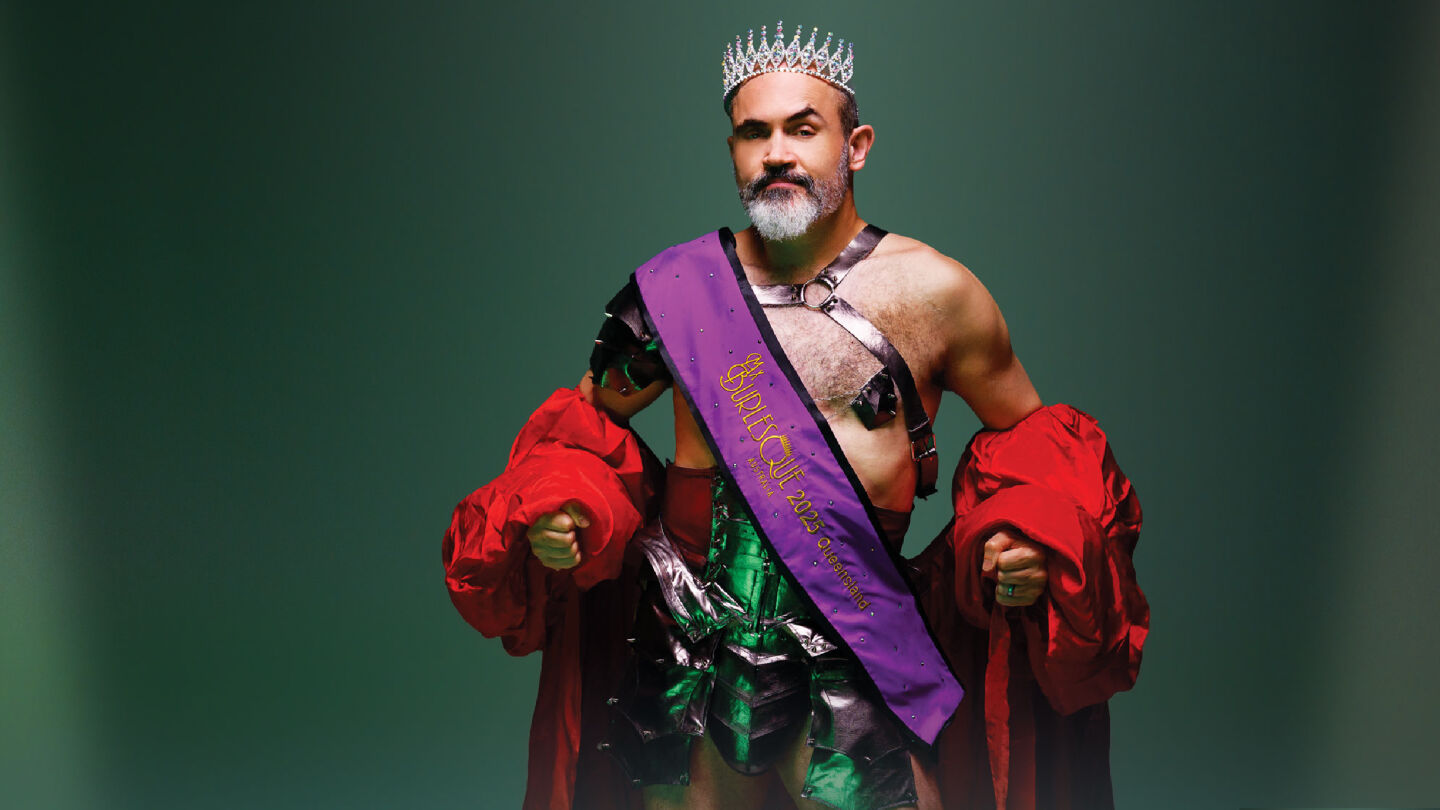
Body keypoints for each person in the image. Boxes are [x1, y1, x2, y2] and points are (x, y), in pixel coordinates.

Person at [443, 22, 1147, 810]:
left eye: (802, 128)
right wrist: (564, 508)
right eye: (755, 133)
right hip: (687, 655)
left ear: (857, 146)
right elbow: (581, 430)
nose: (776, 152)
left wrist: (1026, 540)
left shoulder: (940, 296)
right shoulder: (672, 291)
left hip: (859, 646)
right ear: (734, 151)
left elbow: (1038, 448)